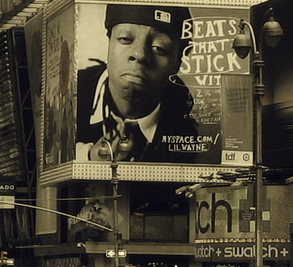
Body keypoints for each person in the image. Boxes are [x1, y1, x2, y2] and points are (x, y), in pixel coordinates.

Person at [76, 4, 202, 164]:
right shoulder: (71, 93)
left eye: (159, 47)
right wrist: (86, 156)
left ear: (177, 63)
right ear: (109, 43)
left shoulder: (186, 130)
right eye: (125, 39)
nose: (140, 54)